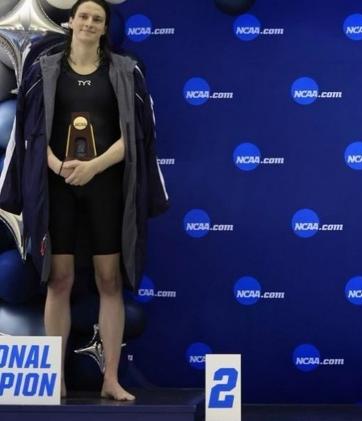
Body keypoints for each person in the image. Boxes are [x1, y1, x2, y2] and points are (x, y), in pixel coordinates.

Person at [0, 0, 169, 400]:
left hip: (106, 190)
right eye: (84, 16)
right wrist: (57, 165)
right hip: (57, 189)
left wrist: (93, 166)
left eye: (98, 18)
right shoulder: (44, 70)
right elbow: (28, 131)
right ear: (71, 21)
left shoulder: (126, 71)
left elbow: (138, 135)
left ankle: (110, 378)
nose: (90, 23)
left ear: (105, 27)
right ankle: (54, 378)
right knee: (59, 281)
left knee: (110, 282)